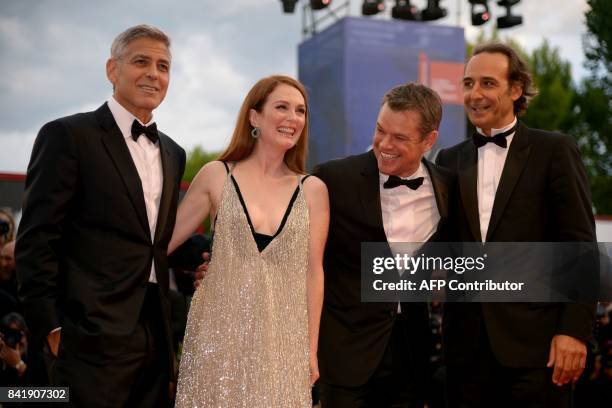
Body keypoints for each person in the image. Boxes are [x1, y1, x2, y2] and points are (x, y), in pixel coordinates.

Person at [16, 24, 185, 407]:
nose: (154, 74)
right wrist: (52, 328)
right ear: (113, 70)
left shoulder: (174, 153)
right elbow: (37, 240)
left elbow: (154, 237)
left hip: (155, 339)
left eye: (163, 66)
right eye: (141, 61)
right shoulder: (67, 136)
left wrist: (205, 257)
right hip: (86, 339)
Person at [436, 42, 596, 407]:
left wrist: (573, 331)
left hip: (538, 352)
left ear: (516, 89)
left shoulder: (554, 150)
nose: (475, 94)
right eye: (468, 84)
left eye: (488, 84)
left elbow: (580, 246)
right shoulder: (448, 159)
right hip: (466, 356)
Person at [169, 75, 329, 407]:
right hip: (217, 338)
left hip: (283, 345)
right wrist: (201, 264)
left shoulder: (312, 190)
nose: (293, 118)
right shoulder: (216, 175)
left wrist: (311, 350)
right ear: (254, 117)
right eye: (282, 107)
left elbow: (314, 273)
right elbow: (162, 244)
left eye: (300, 111)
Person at [313, 83, 454, 407]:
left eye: (400, 138)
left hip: (411, 358)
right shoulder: (332, 179)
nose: (384, 145)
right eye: (380, 130)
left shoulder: (448, 187)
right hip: (344, 358)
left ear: (429, 140)